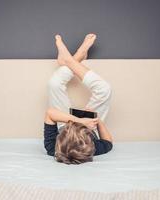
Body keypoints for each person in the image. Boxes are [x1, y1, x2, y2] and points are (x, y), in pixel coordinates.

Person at [44, 33, 113, 164]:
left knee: (54, 84)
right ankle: (72, 61)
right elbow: (108, 142)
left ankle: (73, 60)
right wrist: (96, 121)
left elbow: (50, 113)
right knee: (105, 89)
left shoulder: (53, 148)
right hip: (90, 126)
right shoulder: (92, 148)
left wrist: (77, 121)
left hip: (64, 122)